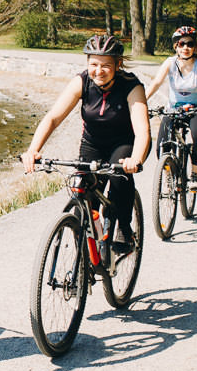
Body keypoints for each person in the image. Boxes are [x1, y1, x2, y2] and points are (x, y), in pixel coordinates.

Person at [21, 34, 150, 250]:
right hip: (93, 144)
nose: (98, 71)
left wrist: (135, 159)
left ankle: (123, 230)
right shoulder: (82, 82)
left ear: (118, 65)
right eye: (93, 64)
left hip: (125, 144)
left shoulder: (131, 86)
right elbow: (53, 118)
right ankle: (88, 254)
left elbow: (142, 130)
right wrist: (33, 150)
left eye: (106, 65)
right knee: (84, 196)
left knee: (120, 180)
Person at [144, 26, 197, 191]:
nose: (186, 48)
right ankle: (169, 176)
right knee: (162, 144)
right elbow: (156, 83)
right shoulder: (169, 62)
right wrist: (141, 102)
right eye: (181, 44)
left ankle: (195, 174)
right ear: (176, 46)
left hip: (196, 109)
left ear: (195, 46)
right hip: (173, 109)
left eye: (190, 44)